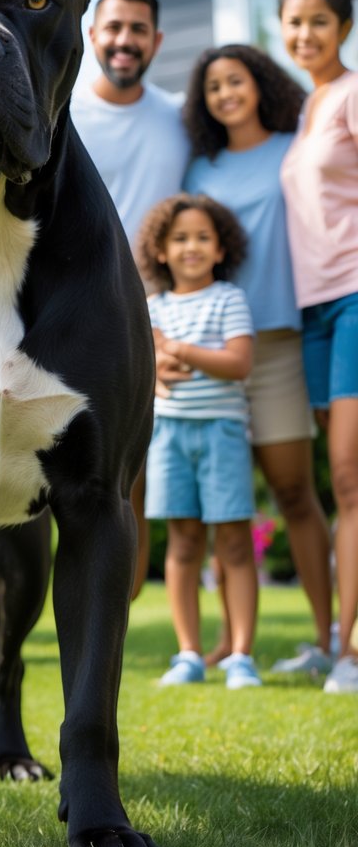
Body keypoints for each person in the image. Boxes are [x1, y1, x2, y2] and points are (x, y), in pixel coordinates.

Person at [182, 45, 333, 674]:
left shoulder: (291, 147)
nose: (226, 95)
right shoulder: (199, 171)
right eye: (214, 86)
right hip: (211, 349)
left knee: (295, 491)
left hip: (277, 339)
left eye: (235, 82)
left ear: (259, 84)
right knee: (224, 506)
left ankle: (330, 640)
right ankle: (227, 642)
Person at [72, 0, 191, 595]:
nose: (124, 41)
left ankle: (119, 600)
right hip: (63, 313)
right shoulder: (58, 110)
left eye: (137, 29)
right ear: (92, 34)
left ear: (157, 40)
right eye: (113, 27)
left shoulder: (178, 119)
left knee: (126, 475)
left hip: (154, 320)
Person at [136, 193, 261, 690]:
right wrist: (162, 358)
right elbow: (150, 369)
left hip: (223, 434)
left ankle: (241, 657)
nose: (192, 247)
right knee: (183, 544)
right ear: (161, 250)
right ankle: (188, 653)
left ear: (221, 247)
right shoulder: (151, 307)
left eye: (203, 238)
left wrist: (179, 349)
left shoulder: (230, 300)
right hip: (168, 436)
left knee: (233, 543)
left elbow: (239, 363)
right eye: (180, 238)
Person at [278, 0, 358, 695]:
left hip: (357, 298)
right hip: (313, 309)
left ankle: (351, 654)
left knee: (348, 477)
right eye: (295, 22)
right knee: (327, 487)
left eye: (320, 23)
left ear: (344, 27)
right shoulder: (306, 108)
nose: (306, 34)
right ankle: (329, 636)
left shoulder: (352, 95)